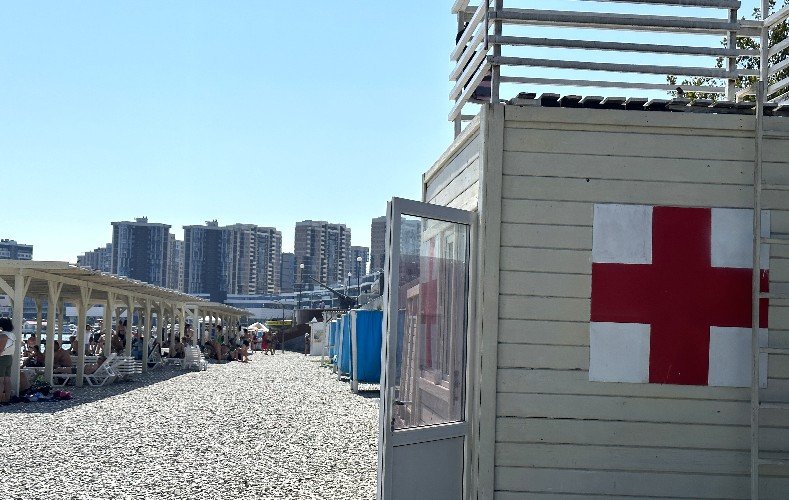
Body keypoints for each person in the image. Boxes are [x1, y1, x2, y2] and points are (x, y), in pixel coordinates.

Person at [0, 317, 16, 404]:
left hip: (2, 358)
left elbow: (0, 349)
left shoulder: (3, 335)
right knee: (7, 379)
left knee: (1, 380)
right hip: (9, 357)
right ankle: (7, 399)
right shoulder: (12, 335)